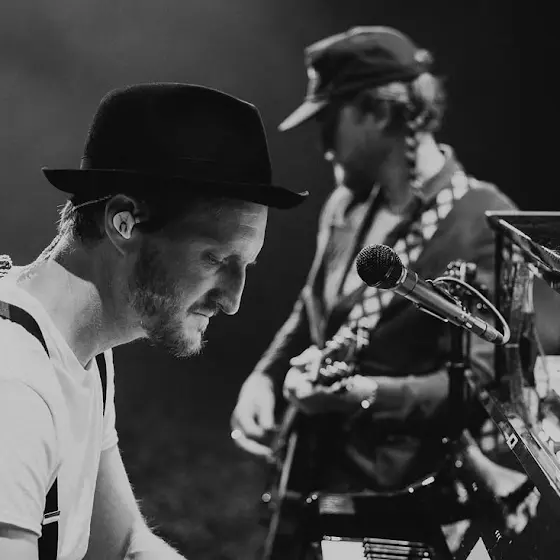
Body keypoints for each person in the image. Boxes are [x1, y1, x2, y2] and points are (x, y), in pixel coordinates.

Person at [230, 26, 541, 556]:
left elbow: (484, 389)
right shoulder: (346, 206)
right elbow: (314, 308)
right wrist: (264, 375)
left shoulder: (482, 221)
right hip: (308, 472)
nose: (323, 145)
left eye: (329, 121)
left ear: (376, 112)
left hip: (405, 506)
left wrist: (366, 393)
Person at [0, 82, 306, 559]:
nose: (233, 300)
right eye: (216, 259)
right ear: (123, 222)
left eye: (246, 266)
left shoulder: (82, 351)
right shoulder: (14, 385)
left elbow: (124, 544)